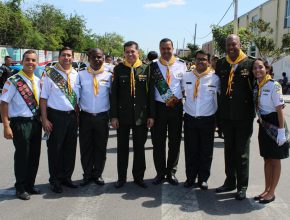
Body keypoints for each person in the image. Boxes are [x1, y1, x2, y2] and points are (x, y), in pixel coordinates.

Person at [215, 34, 255, 200]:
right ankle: (230, 181)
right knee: (229, 151)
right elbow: (217, 90)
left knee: (242, 152)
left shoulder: (250, 63)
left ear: (240, 44)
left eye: (234, 44)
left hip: (243, 116)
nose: (231, 48)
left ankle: (242, 186)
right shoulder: (222, 63)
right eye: (228, 45)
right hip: (226, 115)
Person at [110, 41, 155, 188]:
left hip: (140, 115)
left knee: (139, 149)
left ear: (138, 52)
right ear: (124, 53)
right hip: (122, 116)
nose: (130, 54)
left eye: (132, 51)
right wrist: (114, 116)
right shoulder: (118, 69)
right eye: (127, 52)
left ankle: (138, 177)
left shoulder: (146, 69)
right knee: (122, 148)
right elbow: (114, 95)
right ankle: (121, 178)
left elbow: (150, 94)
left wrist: (151, 115)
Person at [0, 50, 42, 200]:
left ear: (37, 63)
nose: (31, 63)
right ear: (22, 61)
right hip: (20, 123)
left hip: (36, 123)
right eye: (28, 60)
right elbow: (4, 103)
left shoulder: (37, 80)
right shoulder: (13, 80)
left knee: (34, 155)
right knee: (22, 156)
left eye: (33, 60)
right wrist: (6, 125)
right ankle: (20, 187)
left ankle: (30, 184)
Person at [40, 47, 79, 193]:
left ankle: (66, 178)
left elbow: (77, 99)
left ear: (73, 58)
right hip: (55, 116)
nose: (66, 58)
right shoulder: (50, 73)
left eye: (69, 55)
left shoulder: (77, 74)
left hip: (72, 117)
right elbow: (43, 98)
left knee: (70, 149)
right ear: (59, 57)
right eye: (63, 55)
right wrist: (44, 119)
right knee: (55, 150)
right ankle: (55, 180)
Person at [150, 38, 187, 185]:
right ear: (160, 49)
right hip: (158, 108)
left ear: (173, 49)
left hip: (175, 108)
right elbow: (150, 91)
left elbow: (185, 89)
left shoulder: (181, 65)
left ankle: (171, 171)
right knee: (158, 142)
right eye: (163, 49)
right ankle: (160, 172)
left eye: (168, 48)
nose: (166, 51)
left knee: (175, 141)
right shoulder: (153, 66)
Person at [252, 59, 289, 204]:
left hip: (275, 124)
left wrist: (281, 131)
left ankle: (272, 192)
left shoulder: (274, 85)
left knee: (275, 159)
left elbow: (280, 110)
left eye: (260, 67)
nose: (257, 70)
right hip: (264, 125)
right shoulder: (257, 86)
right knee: (267, 159)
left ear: (266, 68)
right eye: (254, 68)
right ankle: (266, 189)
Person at [182, 50, 220, 190]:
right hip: (190, 118)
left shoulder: (215, 78)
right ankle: (190, 177)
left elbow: (220, 99)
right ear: (194, 61)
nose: (200, 62)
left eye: (204, 59)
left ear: (208, 62)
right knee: (190, 150)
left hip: (207, 119)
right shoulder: (186, 77)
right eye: (198, 59)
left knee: (206, 151)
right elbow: (178, 93)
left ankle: (203, 178)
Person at [78, 48, 112, 186]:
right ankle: (87, 174)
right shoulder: (80, 75)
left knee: (100, 147)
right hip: (85, 116)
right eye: (94, 57)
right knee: (85, 147)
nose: (97, 60)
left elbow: (113, 97)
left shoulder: (109, 75)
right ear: (88, 58)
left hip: (102, 117)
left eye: (99, 57)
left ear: (103, 58)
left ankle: (97, 174)